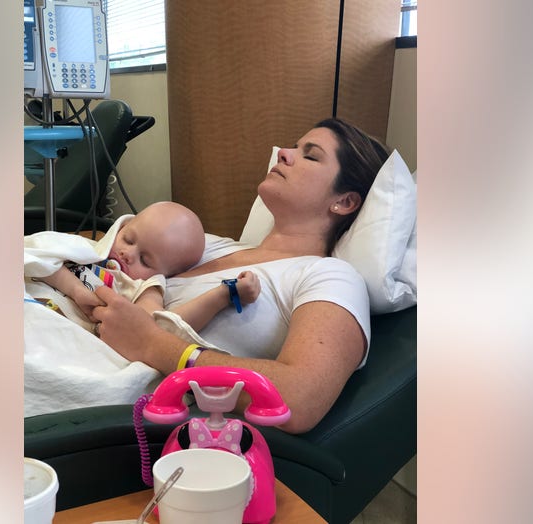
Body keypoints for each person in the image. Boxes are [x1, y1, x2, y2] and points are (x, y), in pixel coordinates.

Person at [89, 118, 389, 434]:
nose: (284, 153)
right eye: (294, 147)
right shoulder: (212, 246)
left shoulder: (329, 276)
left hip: (113, 410)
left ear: (344, 201)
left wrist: (151, 343)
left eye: (310, 155)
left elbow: (300, 398)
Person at [36, 200, 261, 332]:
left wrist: (224, 294)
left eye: (145, 260)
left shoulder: (146, 287)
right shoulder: (87, 251)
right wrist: (76, 290)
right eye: (128, 239)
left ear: (167, 274)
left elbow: (162, 327)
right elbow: (39, 261)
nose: (127, 254)